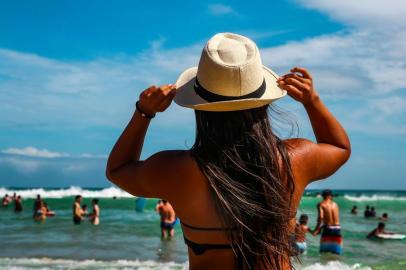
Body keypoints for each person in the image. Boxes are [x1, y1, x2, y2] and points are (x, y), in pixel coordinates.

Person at [106, 33, 351, 269]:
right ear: (262, 104)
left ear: (199, 107)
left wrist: (143, 113)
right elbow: (339, 148)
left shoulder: (176, 169)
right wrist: (312, 102)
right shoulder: (294, 158)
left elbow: (118, 170)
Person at [312, 189, 343, 255]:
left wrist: (316, 229)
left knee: (324, 252)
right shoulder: (336, 204)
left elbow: (321, 217)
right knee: (336, 252)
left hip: (328, 228)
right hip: (337, 228)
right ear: (330, 196)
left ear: (323, 196)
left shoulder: (321, 204)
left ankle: (324, 265)